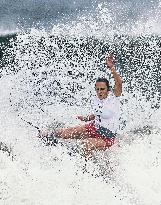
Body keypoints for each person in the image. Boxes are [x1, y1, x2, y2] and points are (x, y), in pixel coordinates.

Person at [40, 54, 122, 157]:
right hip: (93, 128)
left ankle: (86, 170)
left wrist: (112, 68)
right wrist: (87, 118)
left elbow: (119, 83)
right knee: (61, 133)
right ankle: (46, 144)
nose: (100, 92)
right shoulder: (96, 98)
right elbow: (99, 114)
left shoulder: (113, 97)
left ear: (108, 89)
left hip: (106, 137)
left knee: (85, 145)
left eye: (102, 89)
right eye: (97, 89)